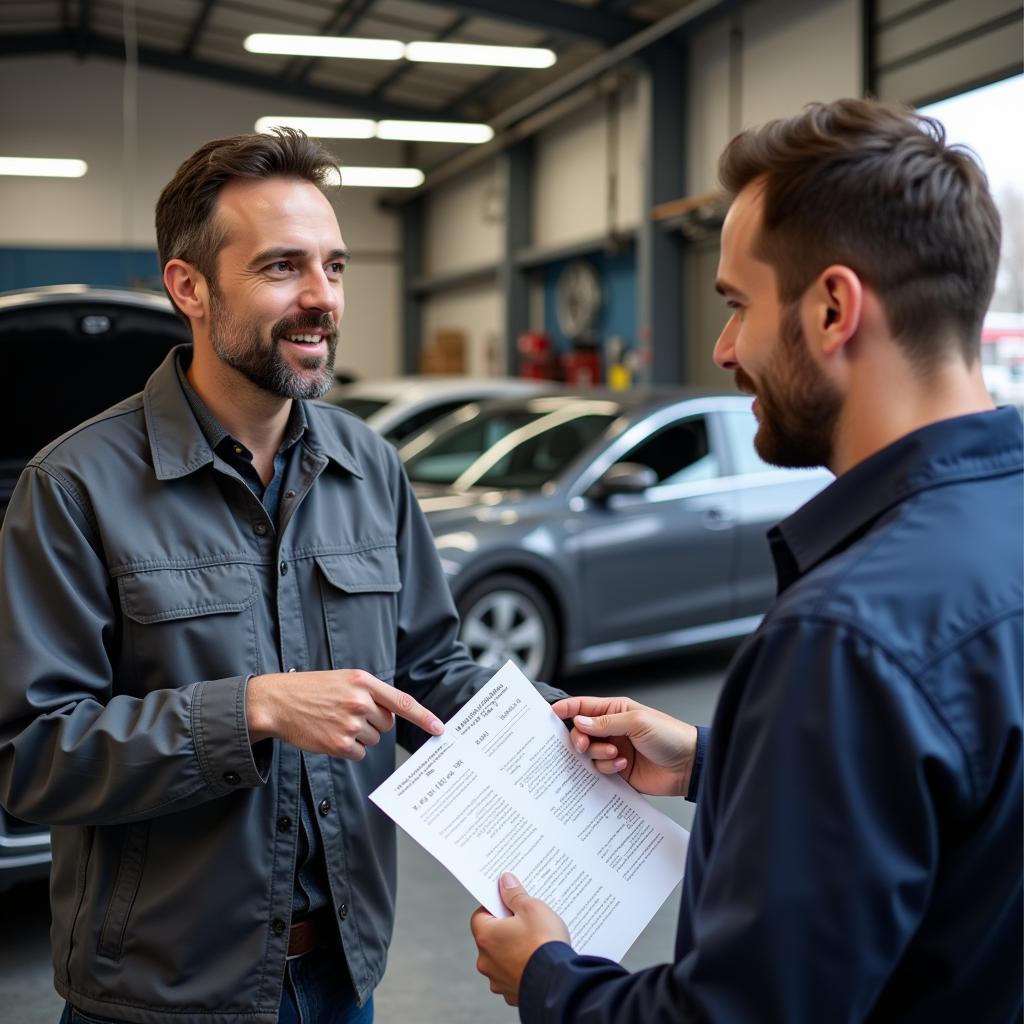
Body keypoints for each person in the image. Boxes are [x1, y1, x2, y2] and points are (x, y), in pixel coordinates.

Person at [471, 97, 1023, 1022]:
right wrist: (711, 764)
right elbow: (959, 802)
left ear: (834, 308)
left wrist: (550, 980)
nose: (725, 349)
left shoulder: (846, 635)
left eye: (736, 306)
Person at [0, 128, 563, 1024]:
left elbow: (428, 673)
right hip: (162, 997)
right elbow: (31, 757)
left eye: (335, 267)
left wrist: (555, 733)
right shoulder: (75, 488)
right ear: (190, 287)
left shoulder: (369, 468)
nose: (321, 299)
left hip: (342, 977)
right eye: (282, 268)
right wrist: (252, 708)